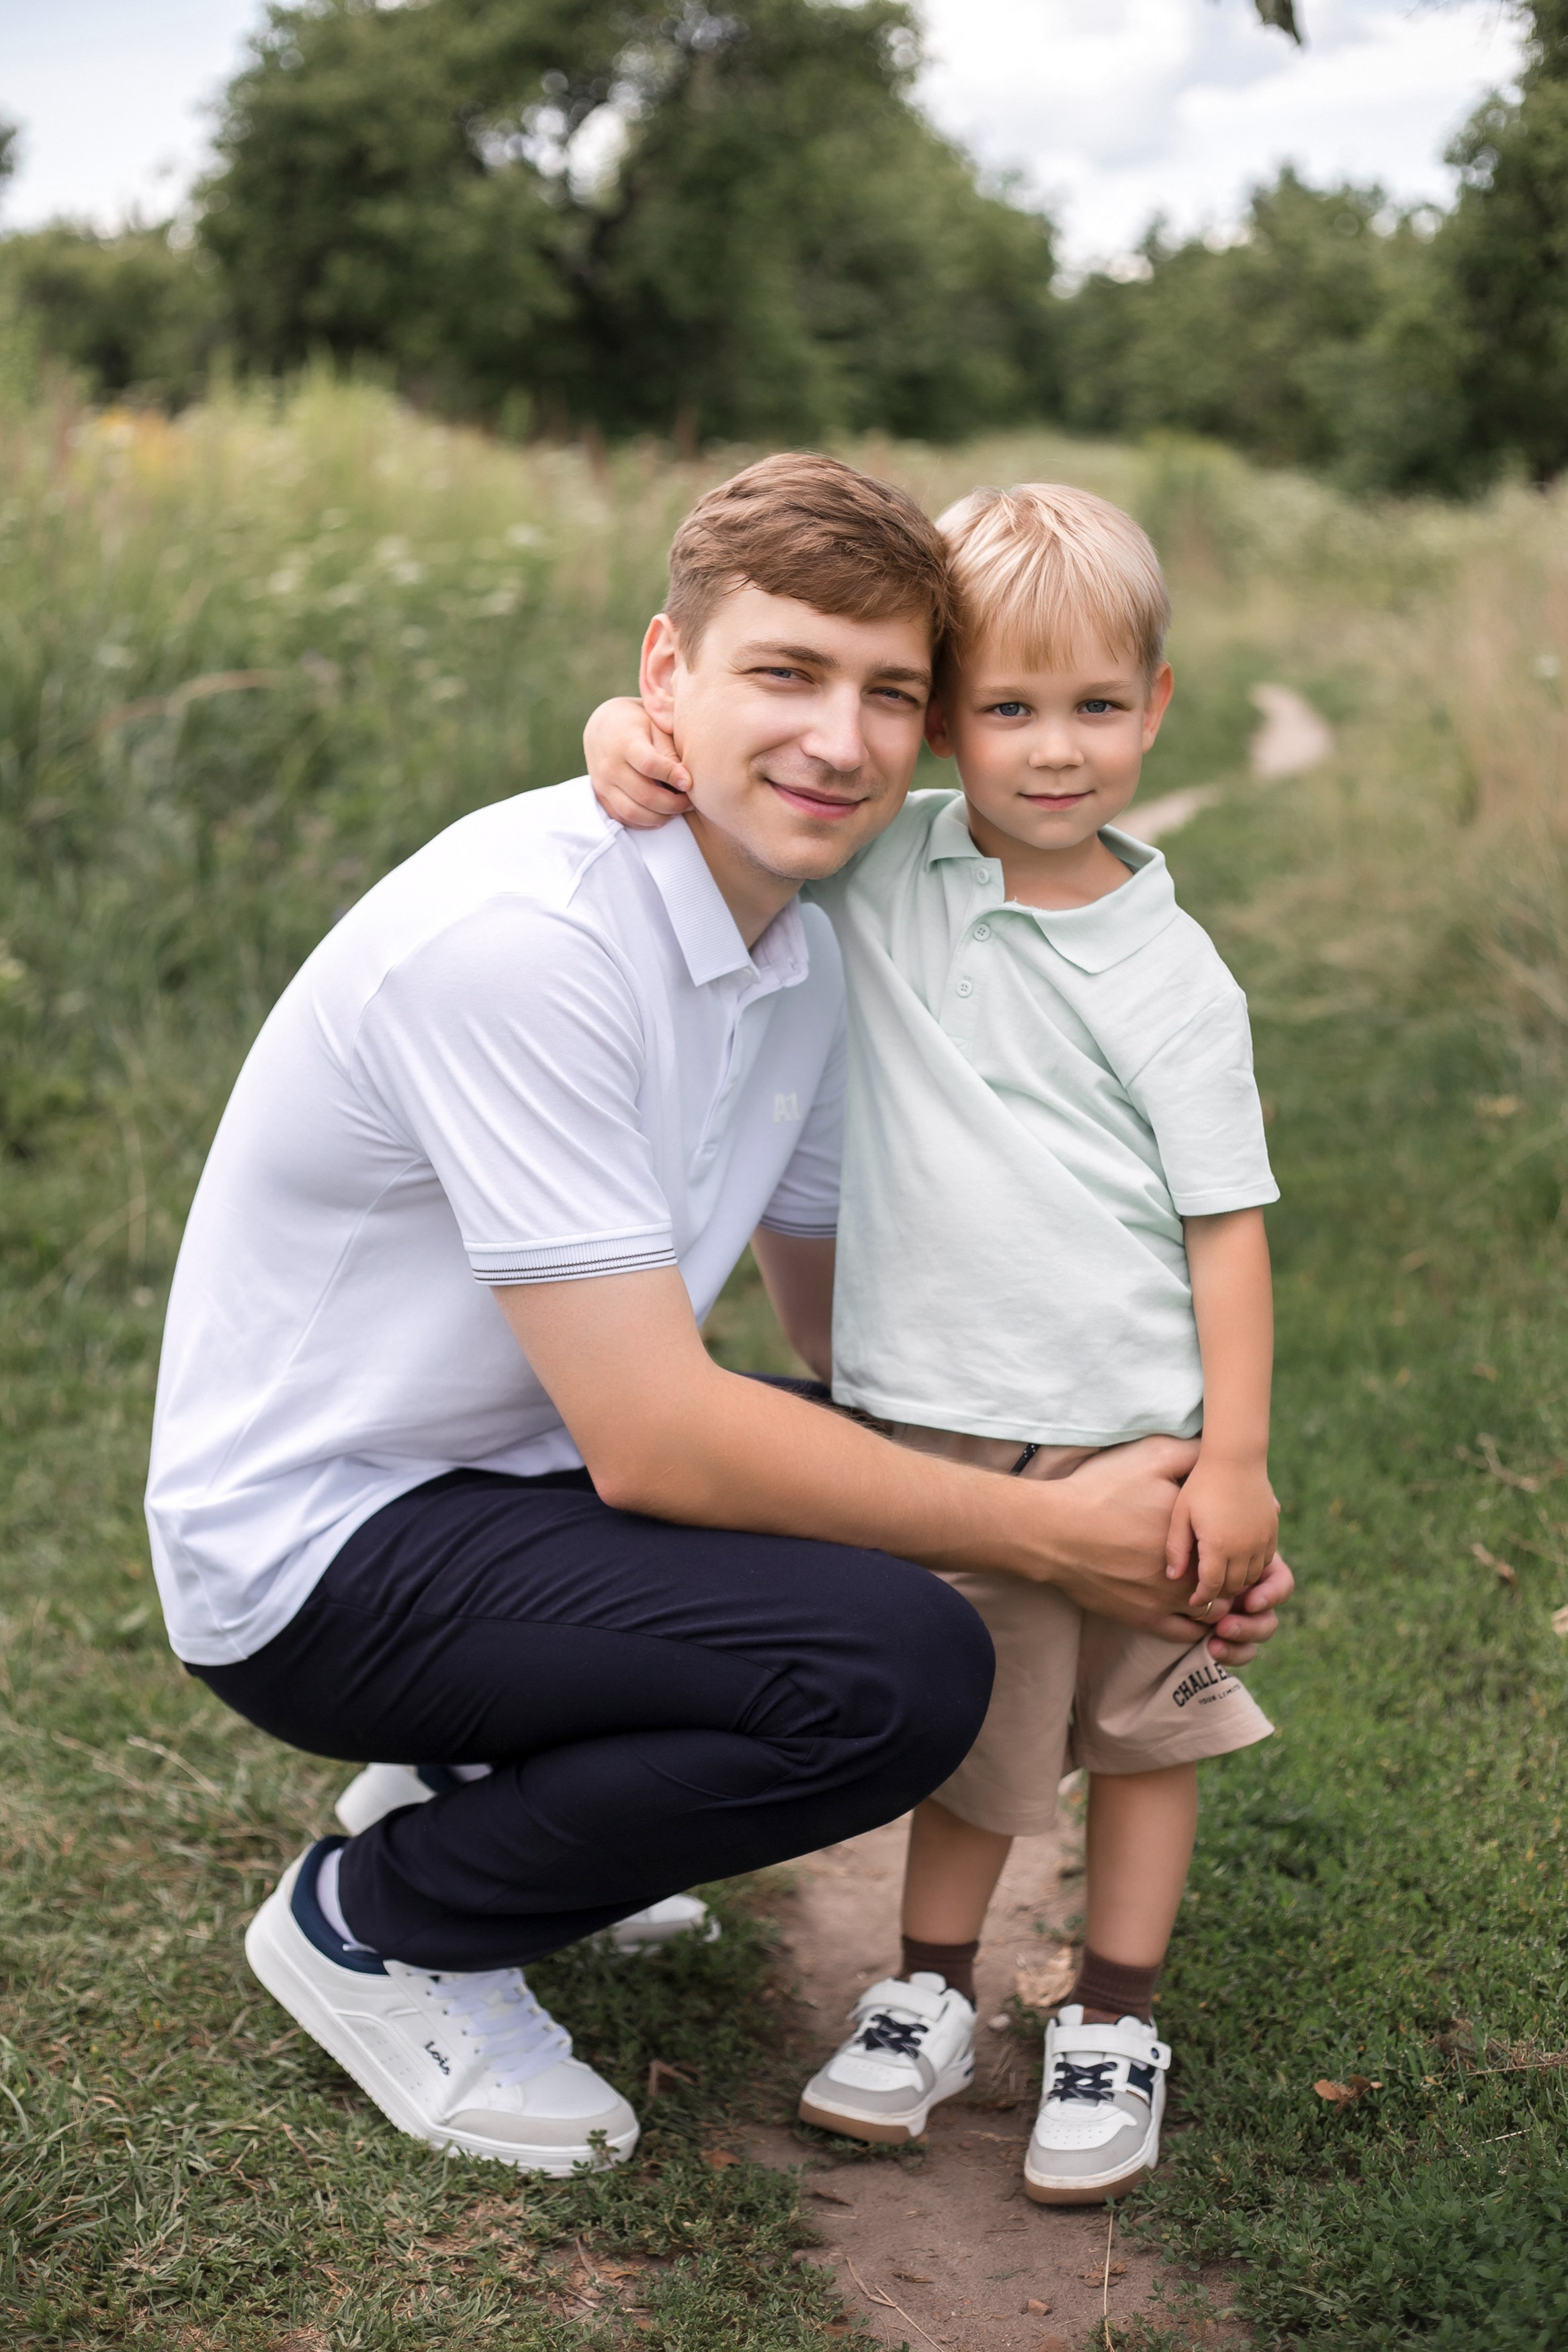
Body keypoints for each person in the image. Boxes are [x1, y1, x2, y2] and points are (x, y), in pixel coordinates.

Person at [146, 453, 1289, 2180]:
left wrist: (1167, 1500)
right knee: (899, 1664)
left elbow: (841, 1337)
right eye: (783, 672)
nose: (839, 738)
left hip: (509, 1473)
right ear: (665, 678)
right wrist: (1058, 1534)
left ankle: (468, 1785)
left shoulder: (812, 939)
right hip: (319, 1552)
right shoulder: (528, 940)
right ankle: (384, 1920)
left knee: (899, 1511)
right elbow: (665, 1438)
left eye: (888, 692)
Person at [583, 478, 1282, 2204]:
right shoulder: (889, 867)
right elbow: (729, 778)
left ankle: (1114, 2014)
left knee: (1140, 1737)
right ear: (945, 720)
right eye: (1010, 709)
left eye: (1100, 708)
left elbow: (1228, 1230)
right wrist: (623, 726)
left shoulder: (1172, 975)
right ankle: (929, 1992)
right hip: (930, 1424)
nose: (1056, 752)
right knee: (977, 1733)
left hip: (1133, 1435)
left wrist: (1241, 1459)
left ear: (1158, 708)